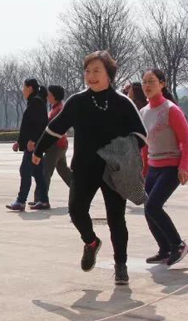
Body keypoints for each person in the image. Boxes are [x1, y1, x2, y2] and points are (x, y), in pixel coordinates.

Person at [33, 51, 146, 285]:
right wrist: (38, 150)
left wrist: (122, 152)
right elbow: (55, 128)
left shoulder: (122, 103)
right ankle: (91, 242)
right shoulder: (77, 102)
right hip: (84, 168)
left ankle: (121, 265)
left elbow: (141, 134)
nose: (91, 76)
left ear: (109, 74)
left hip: (113, 170)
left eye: (96, 71)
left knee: (116, 219)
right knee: (76, 210)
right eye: (87, 71)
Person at [139, 69, 188, 266]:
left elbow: (187, 140)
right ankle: (164, 249)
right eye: (144, 82)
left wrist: (184, 167)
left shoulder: (171, 110)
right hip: (153, 167)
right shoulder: (143, 112)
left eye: (151, 81)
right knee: (148, 209)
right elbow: (145, 145)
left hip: (171, 166)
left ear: (162, 84)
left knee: (153, 206)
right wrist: (143, 170)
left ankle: (178, 244)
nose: (147, 86)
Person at [6, 79, 49, 211]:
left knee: (25, 171)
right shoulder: (34, 102)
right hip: (32, 144)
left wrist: (33, 140)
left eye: (24, 88)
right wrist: (19, 142)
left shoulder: (36, 102)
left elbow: (40, 124)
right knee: (37, 173)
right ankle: (43, 200)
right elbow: (28, 126)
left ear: (30, 88)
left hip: (33, 145)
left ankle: (21, 201)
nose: (23, 91)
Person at [35, 85, 72, 203]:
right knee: (64, 171)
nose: (47, 96)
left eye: (49, 94)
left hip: (55, 145)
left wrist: (42, 145)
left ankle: (41, 199)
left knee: (45, 172)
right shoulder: (56, 107)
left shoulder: (58, 110)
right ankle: (80, 190)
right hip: (60, 144)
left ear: (55, 96)